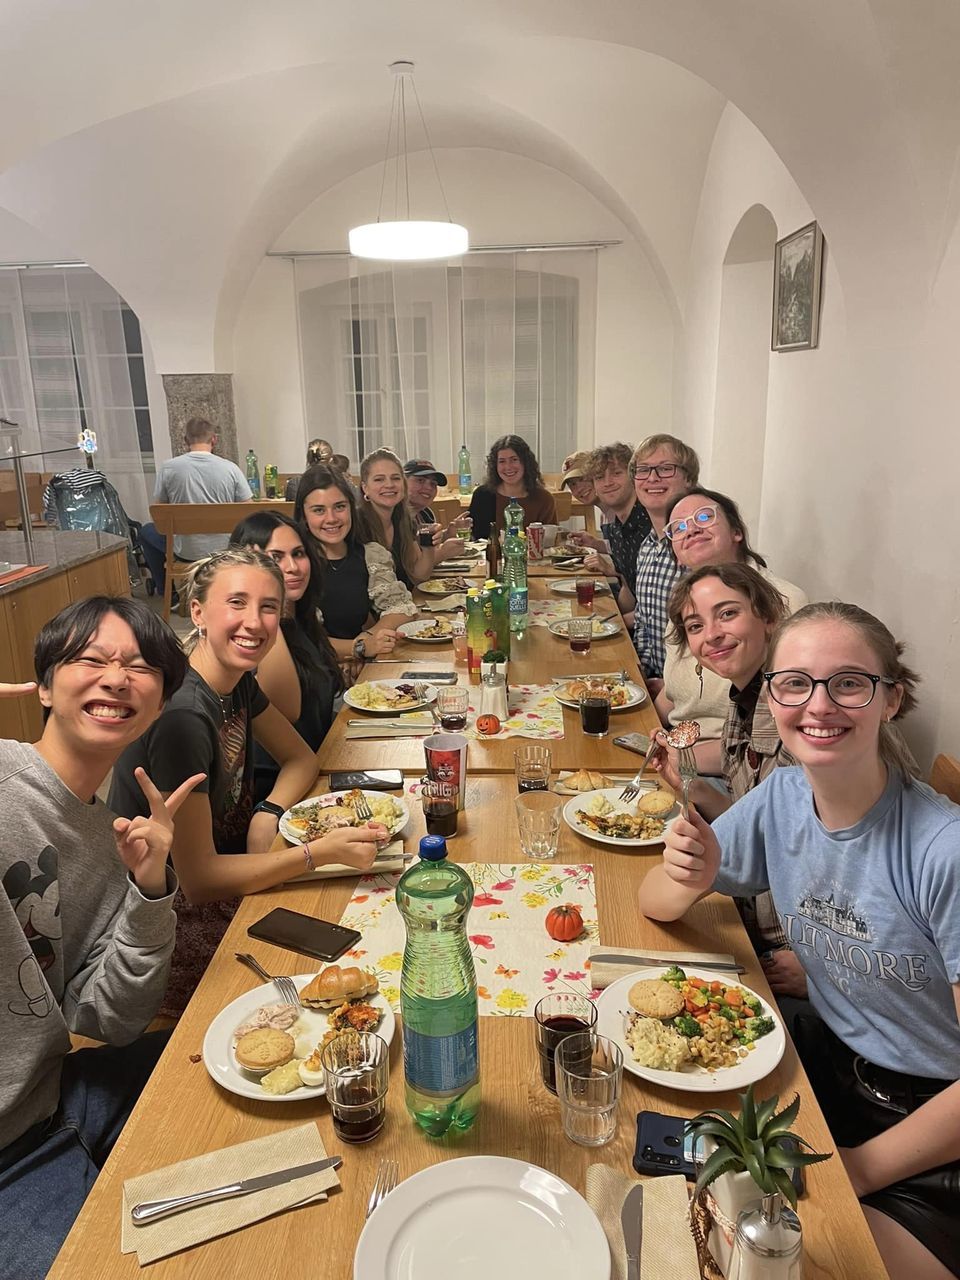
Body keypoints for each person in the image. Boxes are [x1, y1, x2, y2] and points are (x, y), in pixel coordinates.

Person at [640, 602, 960, 1280]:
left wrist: (856, 1170)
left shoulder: (942, 850)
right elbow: (653, 902)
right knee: (667, 1195)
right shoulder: (783, 798)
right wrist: (689, 873)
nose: (818, 705)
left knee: (790, 1262)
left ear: (891, 698)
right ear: (772, 696)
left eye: (848, 683)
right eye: (794, 684)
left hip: (932, 1133)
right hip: (823, 1072)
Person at [0, 597, 202, 1279]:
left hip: (55, 1097)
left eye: (140, 667)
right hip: (8, 1159)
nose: (116, 677)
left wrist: (148, 889)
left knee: (232, 1053)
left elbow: (111, 1020)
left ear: (159, 701)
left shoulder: (112, 838)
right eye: (91, 659)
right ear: (45, 687)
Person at [109, 548, 387, 1016]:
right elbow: (198, 880)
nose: (254, 622)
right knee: (344, 969)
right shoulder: (183, 716)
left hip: (238, 869)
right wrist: (317, 854)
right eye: (236, 603)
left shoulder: (235, 681)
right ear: (198, 612)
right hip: (168, 920)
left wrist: (268, 811)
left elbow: (301, 758)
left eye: (268, 607)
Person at [656, 486, 807, 774]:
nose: (692, 529)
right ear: (675, 553)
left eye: (704, 517)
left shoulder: (783, 601)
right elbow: (675, 693)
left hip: (729, 768)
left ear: (737, 531)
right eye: (679, 528)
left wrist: (679, 758)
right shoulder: (687, 600)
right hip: (678, 747)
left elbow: (774, 735)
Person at [229, 511, 343, 795]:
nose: (292, 567)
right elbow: (287, 710)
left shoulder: (300, 619)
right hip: (278, 788)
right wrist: (267, 599)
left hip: (320, 767)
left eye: (298, 554)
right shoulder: (252, 636)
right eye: (275, 557)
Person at [294, 464, 417, 665]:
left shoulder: (370, 555)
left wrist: (367, 639)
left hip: (359, 669)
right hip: (312, 673)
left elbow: (402, 609)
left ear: (351, 508)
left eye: (340, 507)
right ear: (304, 516)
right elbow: (301, 641)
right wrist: (359, 647)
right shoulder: (295, 565)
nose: (331, 519)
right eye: (319, 510)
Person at [139, 418, 252, 599]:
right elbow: (248, 511)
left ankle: (167, 593)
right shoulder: (231, 469)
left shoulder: (168, 468)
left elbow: (159, 515)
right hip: (225, 551)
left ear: (186, 440)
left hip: (186, 552)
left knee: (146, 531)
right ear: (214, 439)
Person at [629, 433, 700, 689]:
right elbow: (643, 622)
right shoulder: (647, 547)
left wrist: (669, 688)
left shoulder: (697, 547)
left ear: (689, 479)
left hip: (687, 693)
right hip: (652, 682)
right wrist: (641, 675)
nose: (652, 478)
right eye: (643, 470)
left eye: (666, 468)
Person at [356, 448, 461, 588]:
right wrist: (442, 552)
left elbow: (419, 576)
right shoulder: (355, 524)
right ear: (365, 488)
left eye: (395, 478)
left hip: (402, 599)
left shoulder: (404, 520)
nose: (389, 485)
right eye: (379, 479)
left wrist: (428, 545)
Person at [577, 442, 653, 629]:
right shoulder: (615, 527)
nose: (608, 483)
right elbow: (627, 587)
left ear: (633, 476)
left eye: (616, 473)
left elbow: (663, 607)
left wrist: (616, 624)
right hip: (636, 626)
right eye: (599, 477)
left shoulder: (652, 520)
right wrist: (610, 619)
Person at [467, 434, 558, 539]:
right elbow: (474, 539)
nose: (508, 467)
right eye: (502, 461)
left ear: (525, 462)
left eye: (514, 460)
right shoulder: (483, 495)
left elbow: (550, 541)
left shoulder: (544, 499)